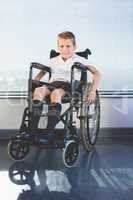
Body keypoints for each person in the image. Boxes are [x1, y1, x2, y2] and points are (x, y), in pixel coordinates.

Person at [31, 31, 101, 143]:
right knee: (39, 91)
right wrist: (34, 84)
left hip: (69, 86)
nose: (64, 49)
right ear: (58, 47)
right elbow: (40, 75)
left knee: (56, 93)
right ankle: (31, 131)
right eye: (61, 46)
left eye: (68, 46)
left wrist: (92, 91)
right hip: (52, 84)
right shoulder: (53, 60)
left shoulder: (80, 60)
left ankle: (49, 132)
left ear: (75, 47)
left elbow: (97, 74)